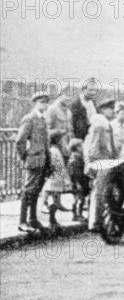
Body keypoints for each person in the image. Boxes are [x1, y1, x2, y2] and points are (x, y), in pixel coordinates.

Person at [16, 92, 51, 233]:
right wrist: (25, 156)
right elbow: (20, 141)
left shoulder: (42, 119)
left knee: (36, 190)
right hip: (34, 159)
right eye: (42, 102)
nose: (45, 105)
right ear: (35, 103)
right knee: (28, 190)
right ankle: (22, 221)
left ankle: (33, 219)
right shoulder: (29, 118)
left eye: (46, 102)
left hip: (43, 159)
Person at [84, 98, 118, 231]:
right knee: (98, 193)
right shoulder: (100, 124)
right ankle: (94, 222)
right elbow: (94, 147)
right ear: (104, 110)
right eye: (111, 108)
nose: (113, 111)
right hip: (101, 162)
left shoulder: (104, 123)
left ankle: (97, 221)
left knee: (101, 192)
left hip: (105, 162)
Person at [42, 94, 74, 213]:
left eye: (69, 98)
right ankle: (45, 202)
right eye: (65, 97)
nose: (68, 99)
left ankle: (57, 201)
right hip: (55, 147)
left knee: (60, 176)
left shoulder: (69, 112)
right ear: (59, 96)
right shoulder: (52, 110)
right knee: (52, 175)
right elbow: (47, 129)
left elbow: (71, 130)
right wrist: (58, 133)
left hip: (65, 147)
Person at [42, 131, 72, 230]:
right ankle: (52, 220)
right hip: (54, 179)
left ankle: (53, 220)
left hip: (57, 179)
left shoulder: (56, 150)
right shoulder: (54, 151)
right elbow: (53, 164)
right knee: (54, 201)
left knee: (55, 199)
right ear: (58, 140)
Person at [67, 139, 89, 222]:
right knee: (79, 199)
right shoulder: (75, 159)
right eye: (82, 146)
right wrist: (77, 183)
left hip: (79, 181)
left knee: (79, 198)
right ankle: (77, 214)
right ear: (77, 147)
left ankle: (77, 214)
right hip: (78, 182)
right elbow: (74, 173)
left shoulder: (77, 157)